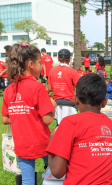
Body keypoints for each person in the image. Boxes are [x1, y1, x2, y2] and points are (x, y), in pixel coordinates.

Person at [47, 74, 112, 184]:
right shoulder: (110, 126)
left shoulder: (70, 123)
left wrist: (52, 141)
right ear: (104, 102)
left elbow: (57, 171)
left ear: (75, 99)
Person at [1, 43, 56, 185]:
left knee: (27, 180)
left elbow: (5, 119)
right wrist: (53, 105)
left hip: (21, 143)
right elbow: (48, 120)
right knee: (54, 172)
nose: (41, 66)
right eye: (39, 62)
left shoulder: (8, 90)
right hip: (43, 142)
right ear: (31, 64)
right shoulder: (38, 88)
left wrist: (20, 114)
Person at [48, 49, 80, 125]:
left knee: (59, 126)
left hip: (56, 104)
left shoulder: (52, 71)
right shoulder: (72, 71)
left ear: (58, 59)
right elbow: (79, 86)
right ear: (69, 60)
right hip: (69, 103)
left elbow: (49, 89)